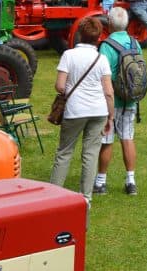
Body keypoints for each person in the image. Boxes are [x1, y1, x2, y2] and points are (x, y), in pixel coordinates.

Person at [50, 17, 114, 202]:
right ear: (99, 37)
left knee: (64, 152)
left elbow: (60, 85)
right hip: (98, 110)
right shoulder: (101, 59)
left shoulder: (69, 55)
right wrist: (111, 116)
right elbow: (108, 92)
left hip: (75, 110)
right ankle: (86, 197)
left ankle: (54, 195)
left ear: (80, 35)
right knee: (90, 154)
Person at [94, 7, 140, 196]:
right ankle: (130, 181)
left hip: (111, 100)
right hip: (130, 99)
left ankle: (101, 181)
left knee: (107, 140)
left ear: (110, 23)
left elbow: (102, 74)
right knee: (127, 138)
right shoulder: (134, 43)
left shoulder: (106, 45)